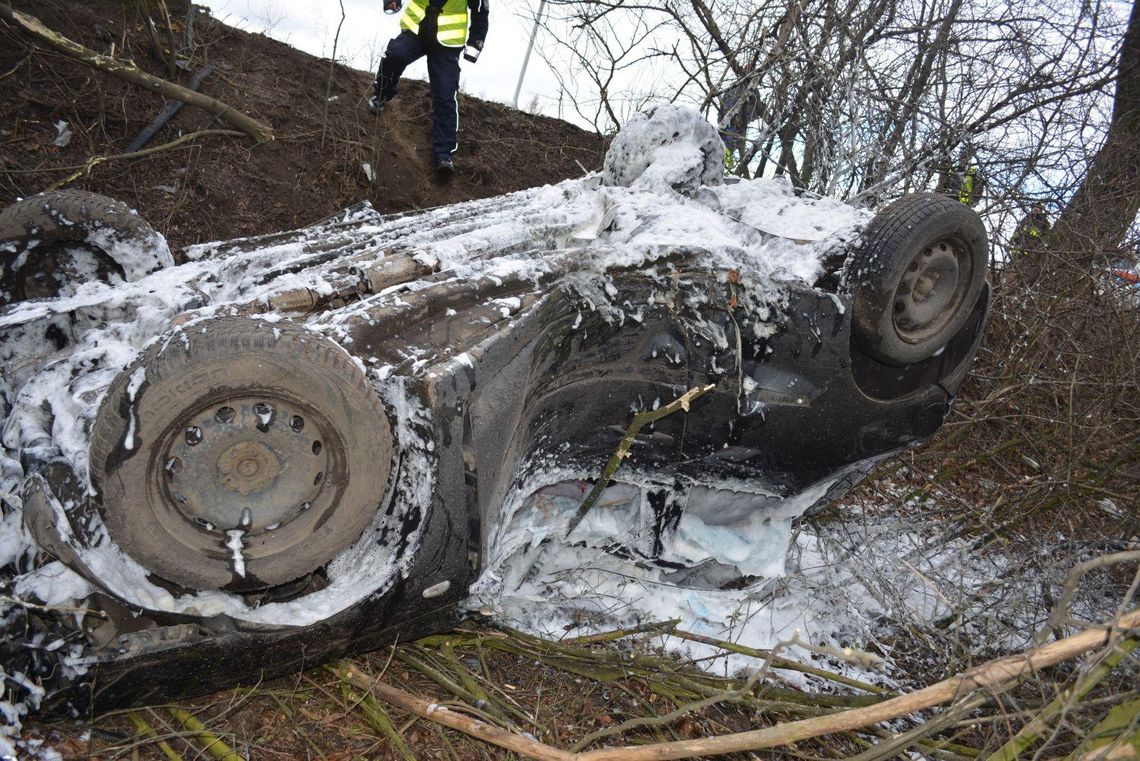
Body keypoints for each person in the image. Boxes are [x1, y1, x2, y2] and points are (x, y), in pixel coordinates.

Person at [370, 0, 489, 177]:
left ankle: (444, 154)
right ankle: (381, 95)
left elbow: (480, 11)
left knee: (445, 95)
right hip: (417, 29)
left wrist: (475, 43)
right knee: (395, 56)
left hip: (447, 42)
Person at [1009, 202, 1051, 285]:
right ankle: (1012, 275)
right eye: (1035, 207)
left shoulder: (1044, 221)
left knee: (1026, 263)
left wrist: (1040, 242)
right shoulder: (1026, 218)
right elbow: (1019, 228)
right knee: (1015, 261)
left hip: (1033, 245)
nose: (1036, 209)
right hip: (1020, 243)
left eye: (1038, 208)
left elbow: (1046, 233)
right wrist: (1013, 239)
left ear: (1041, 210)